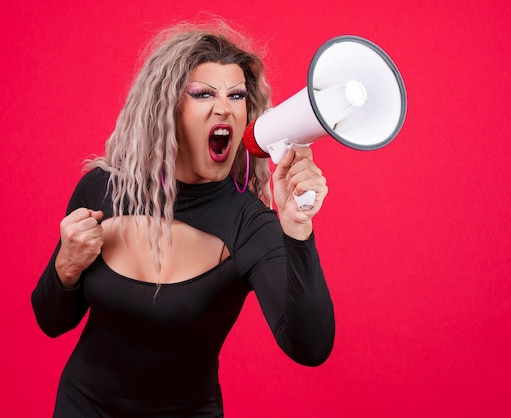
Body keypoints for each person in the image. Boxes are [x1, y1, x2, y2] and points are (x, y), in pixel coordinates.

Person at [31, 19, 335, 418]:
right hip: (82, 406)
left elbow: (311, 347)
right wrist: (65, 266)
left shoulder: (250, 225)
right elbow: (51, 321)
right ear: (167, 108)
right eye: (203, 94)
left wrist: (297, 229)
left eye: (237, 95)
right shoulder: (103, 189)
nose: (224, 107)